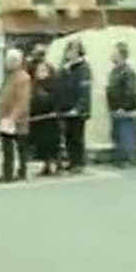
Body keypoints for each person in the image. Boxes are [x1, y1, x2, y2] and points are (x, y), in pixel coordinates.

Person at [55, 39, 91, 173]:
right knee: (68, 137)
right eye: (68, 50)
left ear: (79, 52)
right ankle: (71, 161)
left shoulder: (83, 68)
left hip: (77, 110)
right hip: (65, 107)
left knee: (77, 137)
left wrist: (79, 108)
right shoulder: (65, 67)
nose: (69, 53)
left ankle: (79, 162)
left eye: (73, 50)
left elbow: (84, 90)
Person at [0, 48, 31, 183]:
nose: (8, 63)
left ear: (18, 61)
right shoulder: (8, 77)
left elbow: (22, 100)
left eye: (12, 60)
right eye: (8, 60)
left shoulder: (23, 78)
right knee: (7, 149)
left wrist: (13, 117)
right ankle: (7, 173)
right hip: (5, 118)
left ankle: (21, 171)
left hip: (17, 119)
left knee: (20, 147)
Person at [106, 41, 136, 168]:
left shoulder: (128, 72)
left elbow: (130, 91)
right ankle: (119, 158)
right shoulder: (115, 71)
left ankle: (125, 159)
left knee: (124, 134)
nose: (111, 55)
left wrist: (123, 107)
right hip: (115, 108)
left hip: (123, 110)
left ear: (120, 55)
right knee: (116, 134)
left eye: (114, 53)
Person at [28, 61, 61, 176]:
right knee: (41, 144)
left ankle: (54, 164)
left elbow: (55, 100)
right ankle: (46, 165)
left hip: (50, 119)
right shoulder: (34, 85)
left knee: (51, 144)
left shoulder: (53, 84)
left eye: (43, 71)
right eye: (38, 71)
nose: (40, 73)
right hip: (38, 119)